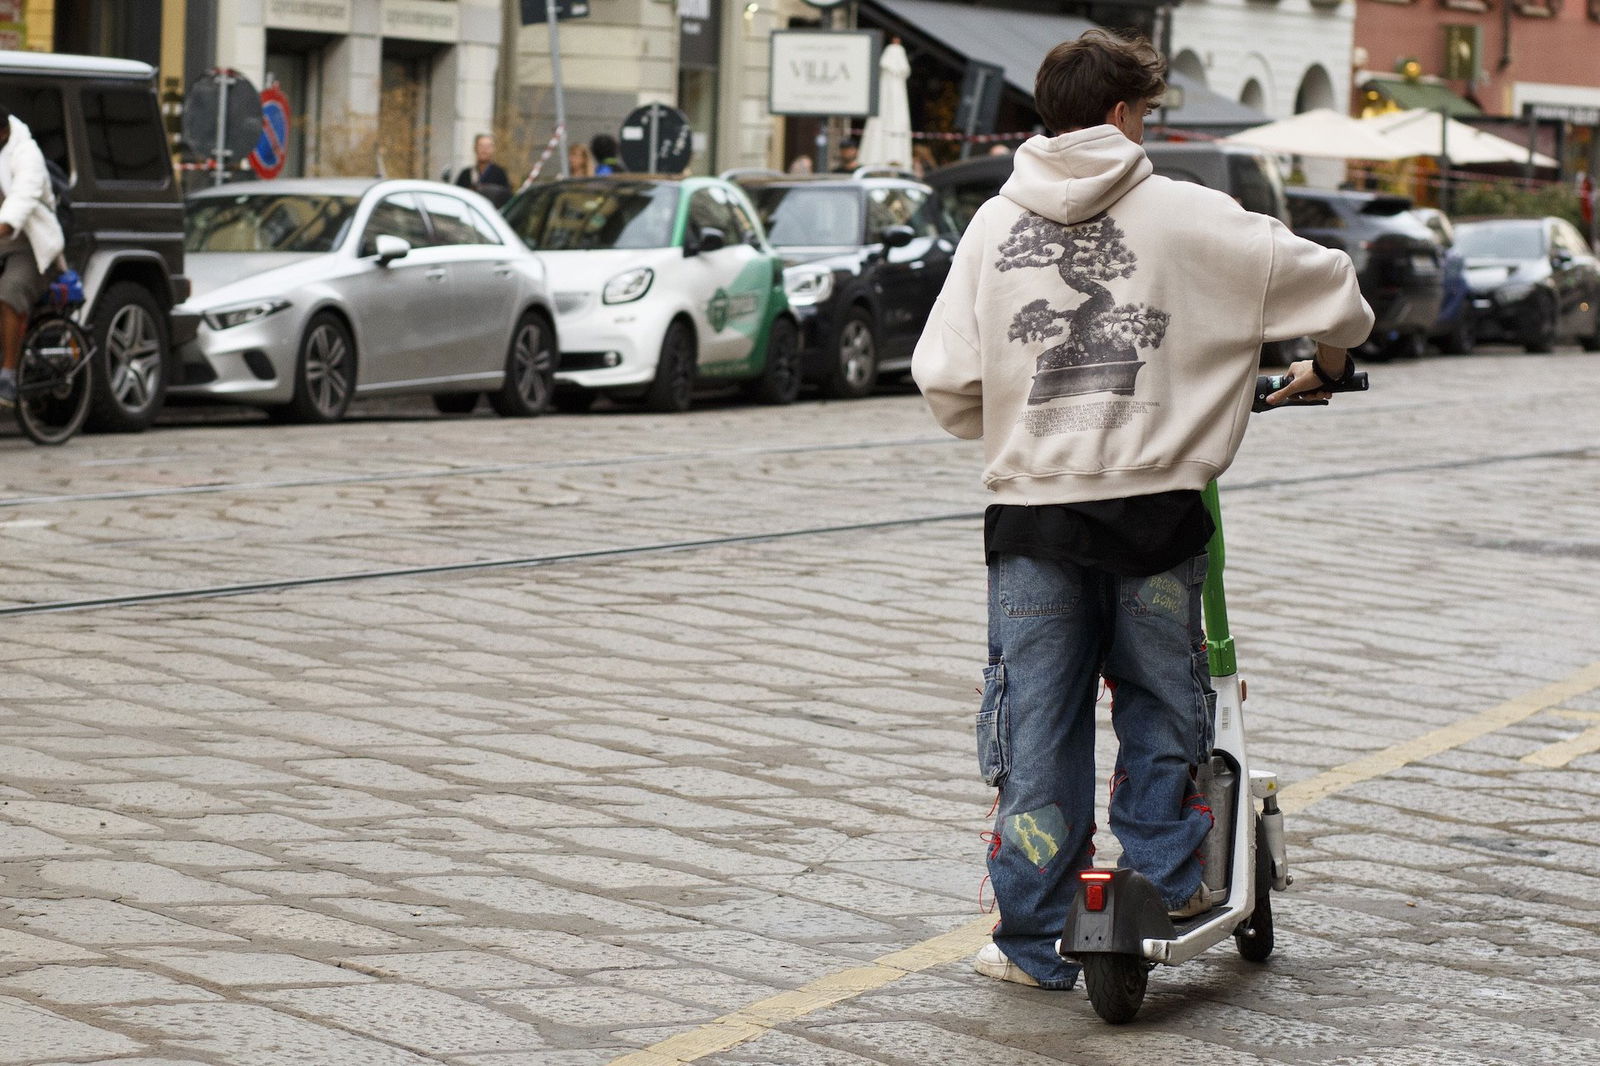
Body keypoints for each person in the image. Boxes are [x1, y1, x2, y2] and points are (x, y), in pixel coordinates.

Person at [910, 29, 1371, 991]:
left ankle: (1031, 938)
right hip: (1156, 514)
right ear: (1123, 114)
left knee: (1036, 722)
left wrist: (1022, 414)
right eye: (1148, 112)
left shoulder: (994, 226)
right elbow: (1335, 290)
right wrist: (1326, 365)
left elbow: (945, 380)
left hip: (1032, 521)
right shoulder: (1190, 213)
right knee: (1163, 703)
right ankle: (1165, 884)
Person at [0, 105, 66, 410]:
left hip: (30, 244)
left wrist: (4, 225)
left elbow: (22, 197)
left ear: (3, 133)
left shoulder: (26, 153)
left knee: (10, 291)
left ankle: (9, 373)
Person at [455, 134, 510, 205]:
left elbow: (505, 200)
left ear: (493, 149)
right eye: (481, 146)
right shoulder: (465, 174)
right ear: (475, 148)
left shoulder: (500, 174)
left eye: (488, 146)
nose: (484, 150)